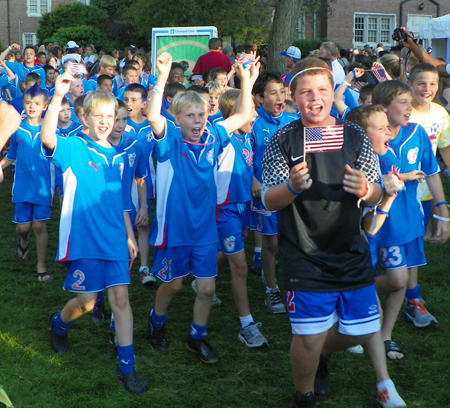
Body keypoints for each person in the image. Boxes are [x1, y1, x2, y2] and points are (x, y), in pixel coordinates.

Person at [261, 57, 406, 408]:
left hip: (350, 250)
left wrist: (365, 190)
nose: (315, 98)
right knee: (308, 338)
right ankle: (303, 395)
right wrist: (292, 186)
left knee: (360, 331)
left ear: (332, 93)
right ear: (293, 97)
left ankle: (320, 357)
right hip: (304, 253)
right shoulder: (283, 139)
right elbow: (268, 199)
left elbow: (373, 192)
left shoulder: (354, 134)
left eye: (322, 90)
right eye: (306, 92)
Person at [40, 71, 147, 394]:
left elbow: (119, 202)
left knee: (120, 299)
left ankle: (127, 367)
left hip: (115, 237)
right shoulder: (73, 147)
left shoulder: (120, 157)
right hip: (85, 239)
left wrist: (129, 234)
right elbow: (47, 139)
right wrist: (57, 97)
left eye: (110, 116)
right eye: (98, 115)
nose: (104, 122)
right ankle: (58, 325)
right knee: (87, 303)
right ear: (84, 116)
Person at [145, 52, 255, 362]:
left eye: (201, 115)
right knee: (174, 286)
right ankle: (157, 321)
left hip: (205, 228)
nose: (197, 121)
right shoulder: (169, 142)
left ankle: (198, 336)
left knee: (206, 289)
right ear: (177, 119)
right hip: (175, 228)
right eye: (190, 116)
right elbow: (154, 116)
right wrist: (162, 77)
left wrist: (246, 81)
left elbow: (243, 114)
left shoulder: (214, 136)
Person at [371, 80, 449, 361]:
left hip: (409, 221)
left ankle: (386, 336)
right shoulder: (371, 137)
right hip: (377, 223)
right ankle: (355, 289)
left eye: (409, 102)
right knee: (397, 278)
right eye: (402, 102)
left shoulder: (416, 133)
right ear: (383, 108)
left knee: (400, 282)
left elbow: (431, 172)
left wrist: (441, 209)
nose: (409, 107)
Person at [214, 87, 269, 348]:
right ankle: (246, 324)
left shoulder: (248, 136)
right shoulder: (222, 137)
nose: (255, 115)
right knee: (241, 266)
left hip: (244, 207)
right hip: (225, 210)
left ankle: (204, 275)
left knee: (227, 256)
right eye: (250, 111)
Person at [405, 63, 450, 326]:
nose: (427, 89)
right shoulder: (403, 111)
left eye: (433, 84)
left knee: (414, 245)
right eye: (421, 83)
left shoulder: (441, 114)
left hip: (423, 192)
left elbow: (444, 147)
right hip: (397, 190)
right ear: (410, 84)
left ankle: (413, 298)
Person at [250, 71, 298, 313]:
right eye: (272, 93)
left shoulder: (293, 121)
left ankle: (294, 286)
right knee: (270, 245)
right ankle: (271, 289)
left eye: (282, 91)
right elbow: (242, 154)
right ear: (259, 98)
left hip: (292, 192)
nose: (280, 96)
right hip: (264, 194)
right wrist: (252, 178)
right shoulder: (252, 123)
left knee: (289, 243)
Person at [0, 85, 53, 282]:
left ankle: (41, 267)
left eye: (37, 104)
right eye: (29, 103)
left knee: (39, 225)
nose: (32, 107)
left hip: (42, 186)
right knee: (23, 228)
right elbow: (11, 156)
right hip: (22, 185)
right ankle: (23, 240)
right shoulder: (17, 129)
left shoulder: (49, 128)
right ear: (23, 104)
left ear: (45, 106)